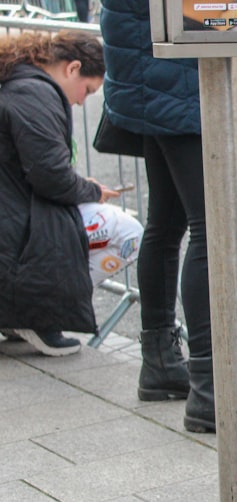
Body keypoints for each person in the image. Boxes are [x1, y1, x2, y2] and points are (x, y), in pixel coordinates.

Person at [101, 0, 237, 431]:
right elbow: (205, 8)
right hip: (179, 78)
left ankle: (162, 363)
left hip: (155, 76)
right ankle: (212, 389)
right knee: (211, 229)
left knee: (167, 225)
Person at [0, 31, 141, 356]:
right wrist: (91, 190)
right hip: (17, 226)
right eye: (87, 90)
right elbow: (50, 177)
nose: (80, 101)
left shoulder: (18, 82)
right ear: (72, 67)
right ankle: (38, 311)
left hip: (13, 213)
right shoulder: (34, 94)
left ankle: (22, 311)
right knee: (128, 232)